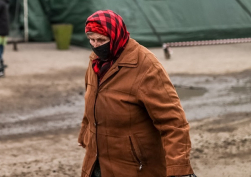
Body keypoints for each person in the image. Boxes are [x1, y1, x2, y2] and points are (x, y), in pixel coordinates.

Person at [78, 10, 196, 177]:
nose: (96, 45)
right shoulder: (96, 62)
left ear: (116, 35)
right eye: (91, 39)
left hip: (135, 168)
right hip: (97, 162)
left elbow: (174, 122)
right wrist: (86, 133)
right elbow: (92, 98)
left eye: (102, 40)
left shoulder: (145, 66)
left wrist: (180, 169)